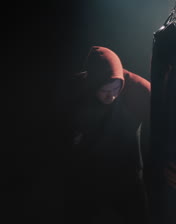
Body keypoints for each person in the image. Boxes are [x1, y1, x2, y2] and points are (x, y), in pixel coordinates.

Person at [61, 46, 151, 224]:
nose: (111, 95)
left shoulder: (140, 89)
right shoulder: (76, 88)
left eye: (116, 89)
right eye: (104, 90)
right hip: (89, 168)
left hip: (127, 169)